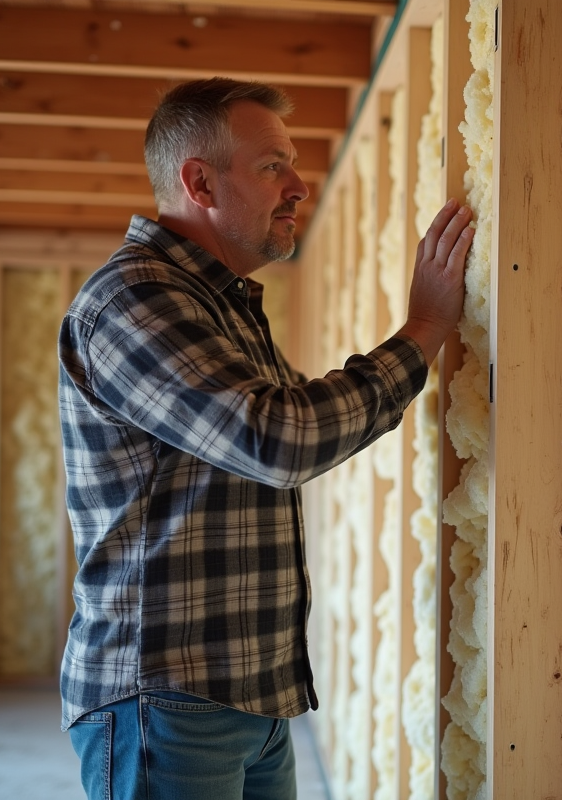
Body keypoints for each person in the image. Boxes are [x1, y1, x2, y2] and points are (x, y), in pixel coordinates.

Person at [57, 77, 473, 800]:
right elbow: (281, 440)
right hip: (167, 696)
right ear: (201, 183)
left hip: (250, 692)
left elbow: (287, 430)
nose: (300, 186)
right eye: (273, 165)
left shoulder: (221, 305)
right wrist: (424, 331)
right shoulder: (133, 299)